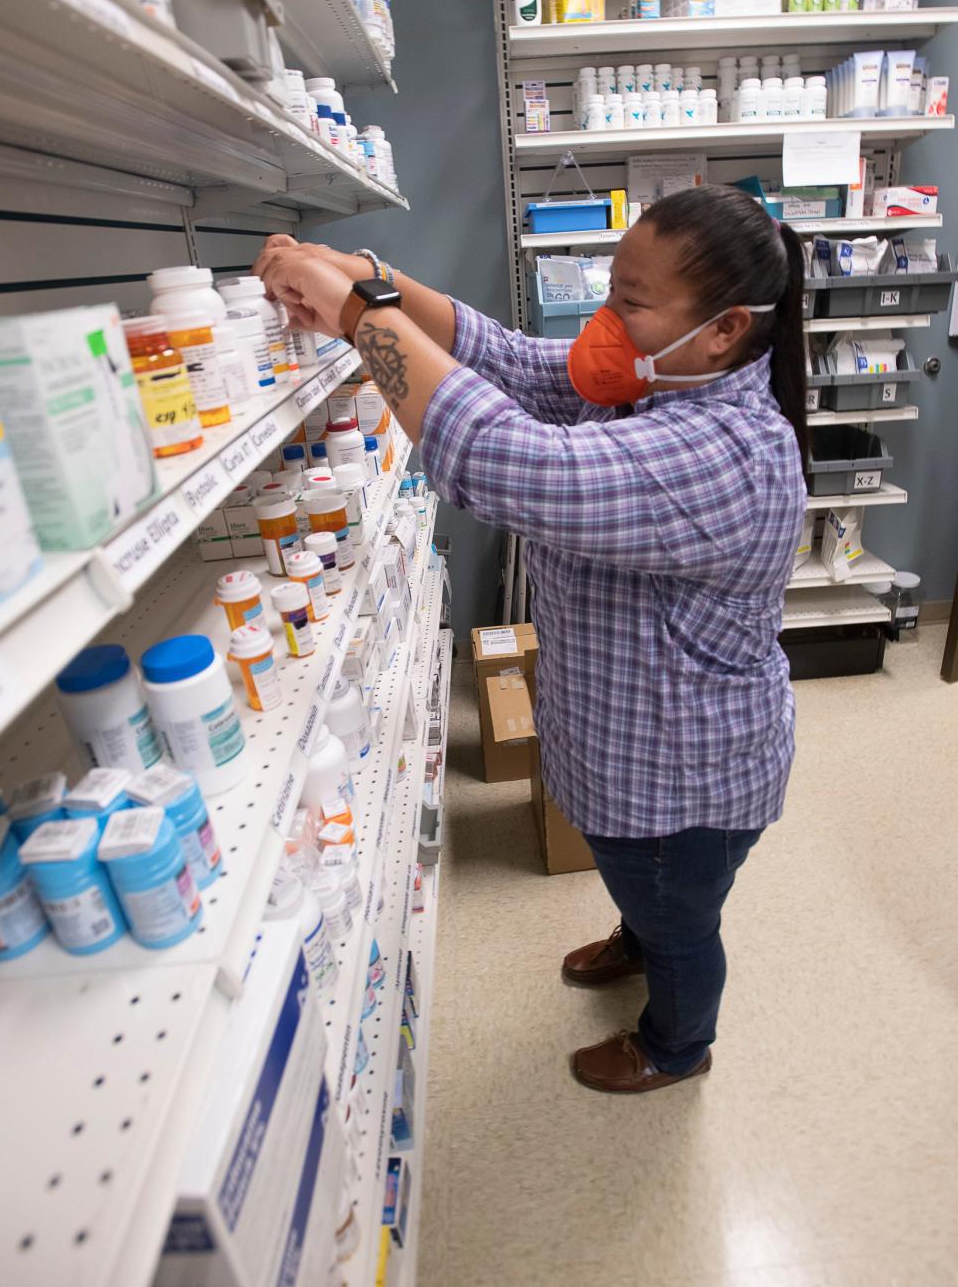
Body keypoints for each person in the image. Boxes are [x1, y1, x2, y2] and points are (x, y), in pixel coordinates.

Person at [252, 184, 808, 1095]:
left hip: (684, 776)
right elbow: (501, 355)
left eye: (632, 303)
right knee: (650, 891)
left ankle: (678, 1041)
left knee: (681, 916)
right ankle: (641, 928)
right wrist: (376, 279)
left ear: (723, 329)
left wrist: (360, 319)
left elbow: (510, 462)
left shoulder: (727, 453)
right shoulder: (647, 378)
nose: (605, 320)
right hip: (630, 746)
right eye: (610, 290)